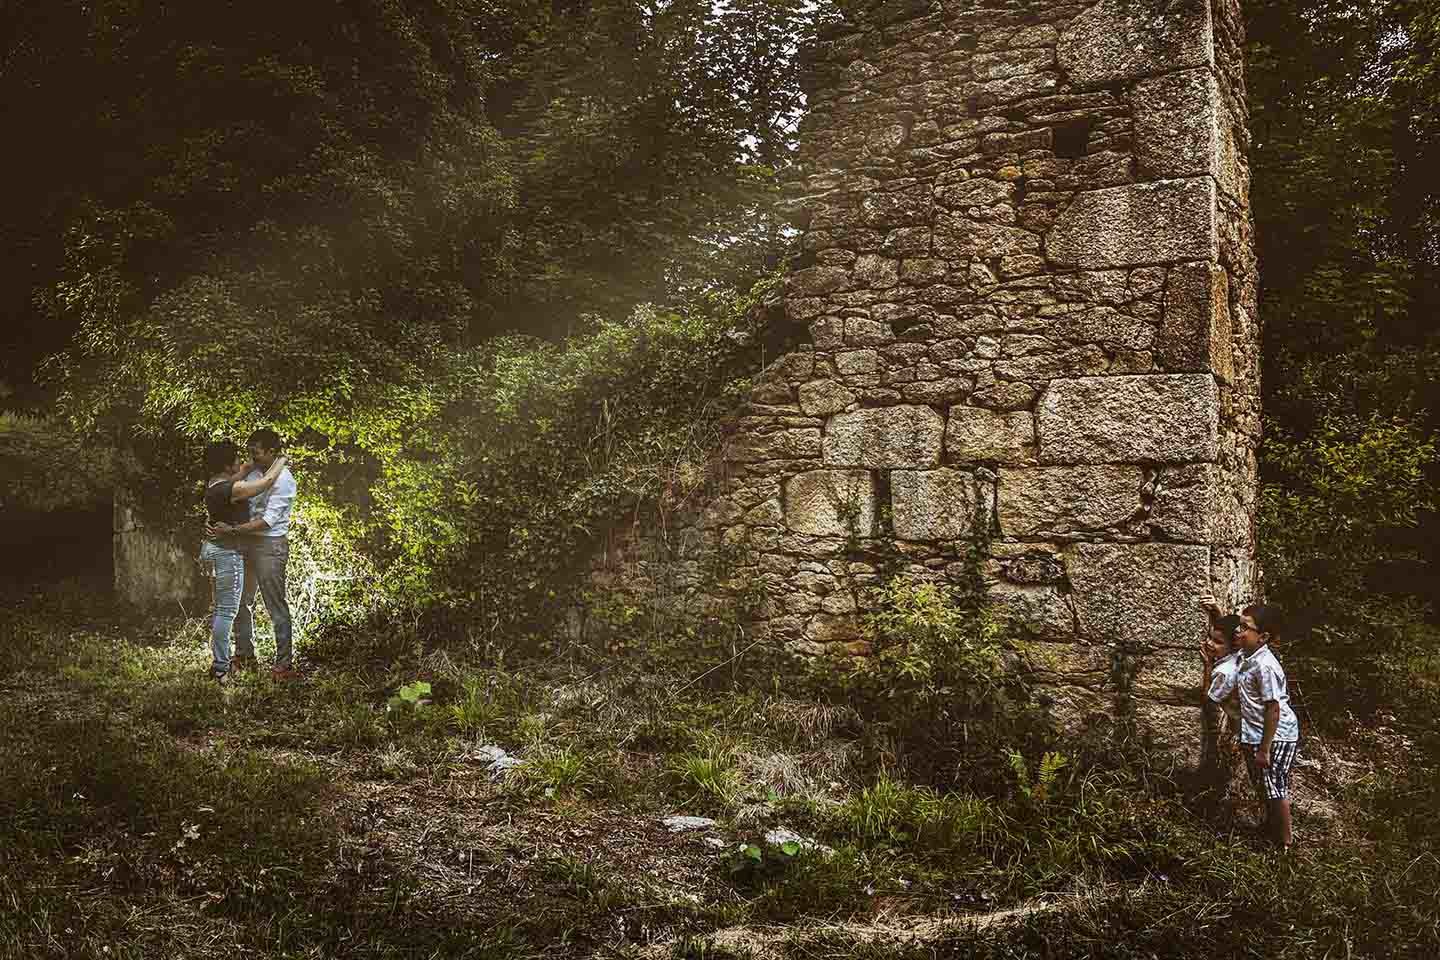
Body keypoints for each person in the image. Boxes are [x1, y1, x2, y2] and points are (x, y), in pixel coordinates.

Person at [1208, 603, 1301, 851]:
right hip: (1255, 735)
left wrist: (1265, 749)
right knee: (1263, 785)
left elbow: (1274, 708)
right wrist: (1217, 615)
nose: (1239, 631)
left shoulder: (1265, 665)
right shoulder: (1247, 655)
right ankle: (1270, 827)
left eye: (1245, 628)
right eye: (1238, 626)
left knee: (1275, 788)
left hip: (1274, 737)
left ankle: (1285, 844)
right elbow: (1227, 637)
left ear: (1264, 636)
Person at [211, 428, 299, 680]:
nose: (251, 457)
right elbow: (232, 494)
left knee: (275, 605)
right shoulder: (254, 474)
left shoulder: (284, 479)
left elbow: (267, 521)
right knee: (241, 601)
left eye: (256, 452)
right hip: (246, 543)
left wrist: (233, 530)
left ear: (272, 451)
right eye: (249, 452)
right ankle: (246, 655)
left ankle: (283, 666)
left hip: (270, 546)